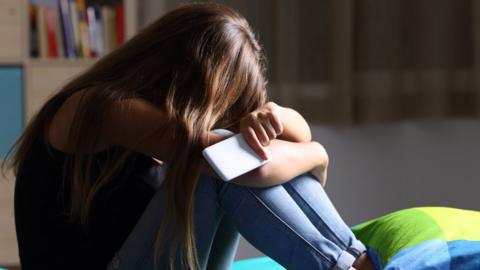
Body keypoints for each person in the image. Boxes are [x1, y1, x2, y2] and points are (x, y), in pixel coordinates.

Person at [3, 3, 375, 270]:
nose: (219, 115)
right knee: (220, 167)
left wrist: (276, 114)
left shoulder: (162, 120)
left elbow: (290, 141)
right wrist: (319, 154)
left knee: (231, 156)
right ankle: (350, 264)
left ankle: (354, 259)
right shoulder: (104, 108)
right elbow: (246, 170)